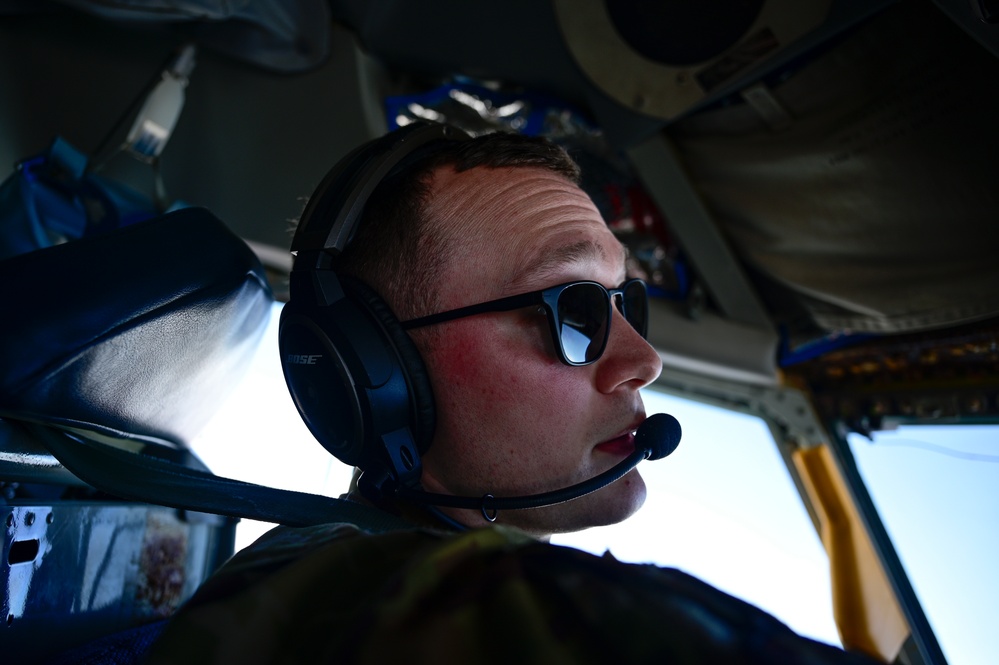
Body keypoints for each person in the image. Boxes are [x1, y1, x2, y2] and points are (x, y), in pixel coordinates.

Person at [144, 125, 880, 664]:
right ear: (377, 374)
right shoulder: (362, 601)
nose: (644, 361)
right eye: (573, 311)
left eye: (624, 304)